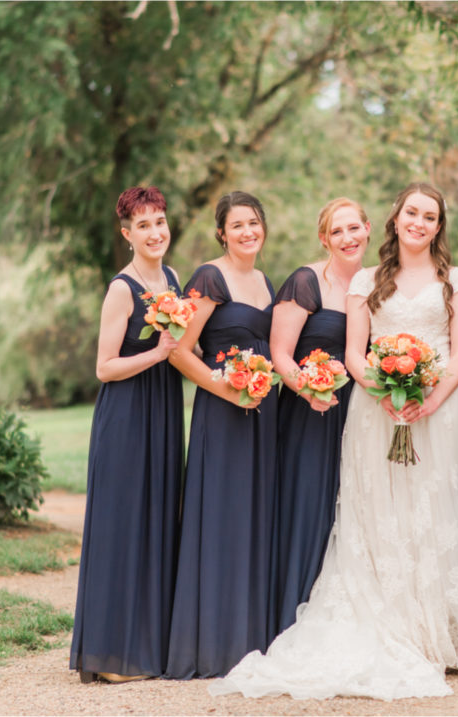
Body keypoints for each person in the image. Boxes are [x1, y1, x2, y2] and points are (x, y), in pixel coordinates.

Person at [209, 182, 458, 700]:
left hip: (438, 411)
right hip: (376, 409)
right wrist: (385, 392)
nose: (419, 223)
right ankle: (387, 622)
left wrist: (428, 397)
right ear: (395, 219)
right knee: (376, 514)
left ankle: (430, 636)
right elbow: (356, 354)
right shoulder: (368, 283)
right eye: (411, 214)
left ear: (439, 226)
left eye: (430, 216)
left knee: (432, 511)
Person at [70, 186, 184, 683]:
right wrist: (158, 354)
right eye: (143, 225)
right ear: (126, 234)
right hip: (127, 413)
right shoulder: (123, 287)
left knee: (156, 517)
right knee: (123, 524)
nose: (155, 232)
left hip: (163, 409)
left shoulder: (174, 277)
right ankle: (109, 656)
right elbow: (104, 367)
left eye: (159, 221)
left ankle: (144, 646)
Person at [164, 191, 277, 679]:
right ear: (221, 233)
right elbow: (179, 350)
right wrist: (227, 389)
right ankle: (211, 643)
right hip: (224, 412)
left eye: (254, 223)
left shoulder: (267, 282)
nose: (247, 232)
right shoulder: (209, 277)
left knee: (254, 517)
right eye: (237, 226)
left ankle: (248, 639)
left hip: (263, 415)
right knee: (223, 517)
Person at [270, 198, 370, 635]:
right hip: (310, 413)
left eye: (354, 228)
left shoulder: (375, 284)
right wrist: (309, 389)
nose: (347, 238)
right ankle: (290, 616)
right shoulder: (306, 282)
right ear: (324, 239)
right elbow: (279, 353)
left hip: (361, 414)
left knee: (350, 510)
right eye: (337, 231)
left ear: (368, 229)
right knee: (309, 505)